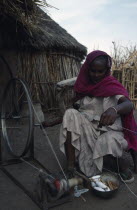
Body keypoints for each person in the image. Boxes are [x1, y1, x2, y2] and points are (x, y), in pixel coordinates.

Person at [59, 50, 137, 182]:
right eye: (93, 71)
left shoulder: (111, 85)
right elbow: (75, 114)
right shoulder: (83, 86)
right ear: (87, 69)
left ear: (106, 70)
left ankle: (120, 165)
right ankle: (70, 168)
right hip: (89, 129)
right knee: (70, 114)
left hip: (109, 131)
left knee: (107, 142)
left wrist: (114, 109)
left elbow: (128, 105)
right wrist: (52, 122)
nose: (96, 75)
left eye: (100, 71)